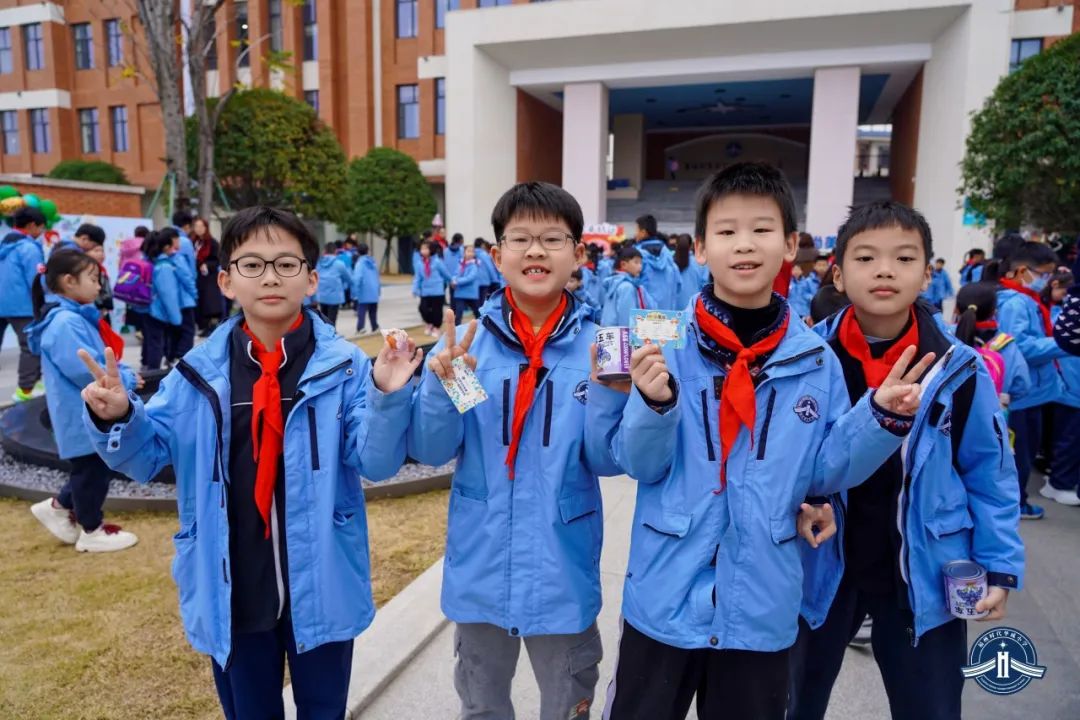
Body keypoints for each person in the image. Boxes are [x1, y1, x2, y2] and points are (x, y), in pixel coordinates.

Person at [589, 164, 931, 720]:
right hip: (665, 594)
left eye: (762, 230)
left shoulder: (814, 359)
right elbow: (637, 464)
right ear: (701, 247)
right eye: (726, 231)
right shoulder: (661, 340)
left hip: (761, 602)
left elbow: (822, 471)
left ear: (790, 245)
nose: (744, 244)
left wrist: (878, 419)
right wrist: (654, 406)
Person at [79, 206, 421, 720]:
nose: (270, 278)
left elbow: (374, 459)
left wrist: (386, 398)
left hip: (322, 580)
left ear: (311, 279)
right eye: (252, 265)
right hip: (231, 584)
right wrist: (119, 417)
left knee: (324, 710)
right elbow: (147, 457)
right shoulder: (196, 374)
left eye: (286, 264)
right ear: (226, 281)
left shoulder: (346, 366)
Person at [789, 201, 1024, 720]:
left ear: (927, 274)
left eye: (903, 258)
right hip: (821, 564)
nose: (885, 271)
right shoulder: (805, 359)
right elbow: (785, 462)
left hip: (924, 569)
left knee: (930, 706)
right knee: (794, 702)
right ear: (838, 274)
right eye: (866, 258)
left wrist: (999, 565)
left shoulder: (959, 368)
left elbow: (989, 474)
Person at [409, 181, 621, 720]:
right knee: (482, 703)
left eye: (552, 238)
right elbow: (436, 448)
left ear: (578, 253)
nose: (535, 251)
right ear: (497, 253)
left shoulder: (599, 346)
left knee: (567, 703)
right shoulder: (469, 345)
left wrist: (608, 394)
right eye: (520, 238)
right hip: (482, 563)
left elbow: (606, 460)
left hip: (561, 569)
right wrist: (442, 384)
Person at [26, 250, 142, 552]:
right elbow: (86, 370)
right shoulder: (66, 322)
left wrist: (125, 376)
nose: (98, 286)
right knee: (92, 470)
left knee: (92, 468)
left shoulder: (71, 318)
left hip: (84, 410)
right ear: (69, 281)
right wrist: (126, 379)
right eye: (93, 278)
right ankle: (92, 530)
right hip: (83, 412)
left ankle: (58, 507)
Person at [985, 241, 1068, 520]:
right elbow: (1018, 347)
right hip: (1023, 395)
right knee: (1019, 455)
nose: (1047, 279)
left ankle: (1016, 501)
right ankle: (1016, 504)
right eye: (1044, 273)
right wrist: (1063, 343)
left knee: (1024, 451)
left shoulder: (1024, 299)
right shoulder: (1015, 303)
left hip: (1031, 392)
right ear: (1022, 271)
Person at [953, 281, 1030, 413]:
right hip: (989, 416)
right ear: (994, 312)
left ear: (957, 309)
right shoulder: (1006, 344)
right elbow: (1022, 385)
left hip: (947, 416)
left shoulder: (945, 336)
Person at [1041, 269, 1080, 505]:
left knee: (1067, 438)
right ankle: (1059, 482)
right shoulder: (1063, 316)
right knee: (1069, 439)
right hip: (1070, 388)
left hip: (1069, 387)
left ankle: (1059, 479)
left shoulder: (1059, 314)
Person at [0, 207, 47, 401]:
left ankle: (33, 385)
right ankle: (26, 390)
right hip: (23, 307)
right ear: (32, 225)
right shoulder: (29, 248)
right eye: (41, 227)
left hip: (2, 305)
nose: (41, 232)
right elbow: (36, 280)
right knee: (31, 346)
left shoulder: (3, 245)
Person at [143, 231, 183, 372]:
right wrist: (176, 319)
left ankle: (149, 370)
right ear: (165, 247)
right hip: (158, 311)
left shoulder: (149, 261)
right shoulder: (164, 266)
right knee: (157, 344)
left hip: (148, 308)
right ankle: (153, 374)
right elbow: (168, 294)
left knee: (152, 342)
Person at [634, 214, 681, 310]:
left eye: (636, 230)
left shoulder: (636, 255)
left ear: (643, 232)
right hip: (666, 312)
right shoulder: (667, 254)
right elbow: (678, 284)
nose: (635, 234)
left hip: (643, 313)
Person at [600, 246, 653, 327]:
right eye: (636, 262)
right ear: (623, 265)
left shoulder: (616, 282)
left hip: (610, 331)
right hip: (620, 333)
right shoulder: (626, 287)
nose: (640, 266)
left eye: (641, 263)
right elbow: (627, 320)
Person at [170, 211, 199, 358]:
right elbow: (190, 271)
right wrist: (194, 290)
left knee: (175, 326)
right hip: (184, 292)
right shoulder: (185, 242)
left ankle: (172, 354)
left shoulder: (165, 235)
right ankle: (183, 356)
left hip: (170, 291)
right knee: (188, 328)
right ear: (187, 226)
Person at [192, 217, 224, 336]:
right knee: (200, 302)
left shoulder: (212, 243)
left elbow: (217, 259)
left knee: (209, 303)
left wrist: (207, 265)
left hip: (209, 277)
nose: (199, 229)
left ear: (206, 228)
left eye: (201, 226)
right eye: (196, 226)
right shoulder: (193, 242)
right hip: (197, 276)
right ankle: (203, 326)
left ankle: (211, 326)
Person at [413, 240, 452, 336]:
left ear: (431, 249)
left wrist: (452, 281)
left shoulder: (437, 262)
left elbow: (445, 273)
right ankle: (430, 323)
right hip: (425, 291)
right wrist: (415, 288)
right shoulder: (419, 263)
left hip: (437, 291)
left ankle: (436, 327)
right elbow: (417, 277)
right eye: (422, 249)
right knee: (422, 308)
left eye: (426, 248)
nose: (423, 251)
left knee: (437, 311)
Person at [315, 244, 352, 326]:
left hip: (322, 296)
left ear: (324, 251)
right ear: (335, 251)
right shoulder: (339, 264)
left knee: (324, 320)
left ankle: (324, 333)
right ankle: (331, 333)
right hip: (334, 297)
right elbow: (348, 278)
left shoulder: (318, 263)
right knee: (332, 320)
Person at [351, 242, 381, 334]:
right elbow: (377, 277)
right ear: (368, 251)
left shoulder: (359, 263)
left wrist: (355, 292)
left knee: (362, 309)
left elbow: (357, 278)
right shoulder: (373, 262)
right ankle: (374, 326)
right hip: (374, 289)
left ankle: (361, 327)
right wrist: (378, 289)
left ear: (358, 252)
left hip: (363, 290)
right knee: (373, 310)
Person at [674, 233, 706, 309]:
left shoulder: (670, 263)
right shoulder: (701, 263)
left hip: (674, 308)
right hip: (694, 306)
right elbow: (705, 286)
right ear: (692, 246)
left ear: (676, 245)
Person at [451, 244, 482, 320]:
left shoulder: (475, 264)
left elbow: (470, 278)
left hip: (471, 292)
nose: (470, 253)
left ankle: (482, 325)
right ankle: (457, 327)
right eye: (468, 251)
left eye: (472, 252)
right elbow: (455, 274)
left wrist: (456, 281)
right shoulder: (460, 263)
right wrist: (453, 279)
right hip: (460, 292)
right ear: (464, 252)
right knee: (458, 314)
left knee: (477, 312)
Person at [474, 237, 501, 304]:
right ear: (482, 245)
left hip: (475, 282)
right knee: (484, 301)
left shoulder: (472, 253)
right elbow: (490, 267)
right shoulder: (483, 254)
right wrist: (495, 279)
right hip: (484, 280)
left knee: (478, 301)